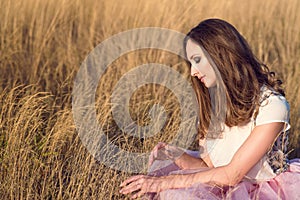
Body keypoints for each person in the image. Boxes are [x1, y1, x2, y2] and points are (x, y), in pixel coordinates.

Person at [119, 18, 300, 199]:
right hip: (225, 182)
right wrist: (179, 157)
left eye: (197, 60)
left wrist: (167, 181)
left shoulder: (272, 106)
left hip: (263, 191)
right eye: (191, 63)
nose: (192, 72)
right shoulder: (213, 104)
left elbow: (232, 175)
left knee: (174, 190)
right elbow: (211, 168)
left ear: (221, 55)